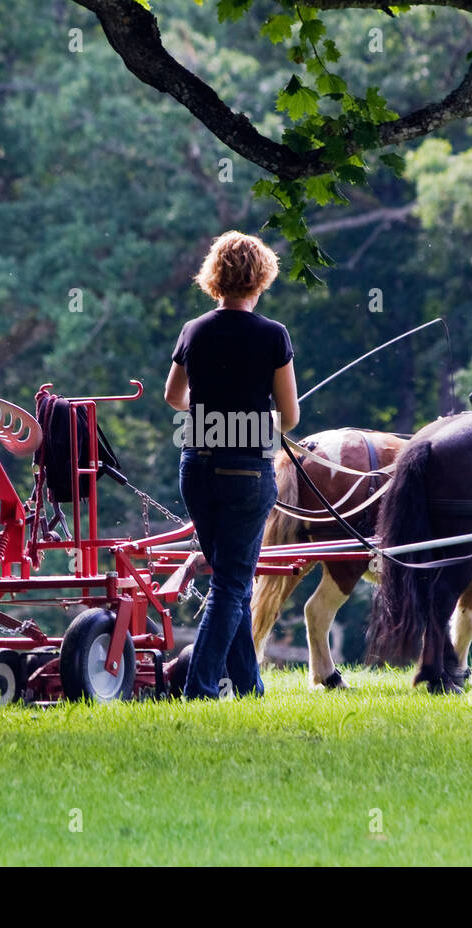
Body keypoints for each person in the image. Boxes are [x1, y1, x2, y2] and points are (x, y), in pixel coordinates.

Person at [164, 232, 300, 700]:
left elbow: (173, 396)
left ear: (214, 277)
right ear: (261, 278)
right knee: (231, 582)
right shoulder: (273, 335)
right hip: (246, 472)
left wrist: (211, 413)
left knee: (233, 580)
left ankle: (249, 687)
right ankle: (199, 687)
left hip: (196, 468)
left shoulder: (193, 330)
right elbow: (291, 416)